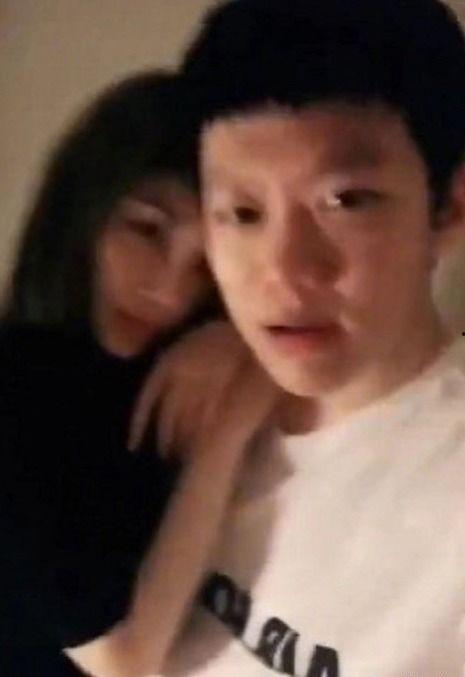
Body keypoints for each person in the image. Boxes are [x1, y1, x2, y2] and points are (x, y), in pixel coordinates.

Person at [156, 0, 465, 674]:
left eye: (346, 201)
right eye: (242, 213)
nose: (285, 271)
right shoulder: (165, 388)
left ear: (448, 208)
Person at [0, 70, 277, 677]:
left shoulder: (162, 372)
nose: (169, 289)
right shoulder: (19, 388)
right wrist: (228, 428)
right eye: (147, 230)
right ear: (83, 211)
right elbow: (124, 662)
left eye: (204, 265)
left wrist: (241, 339)